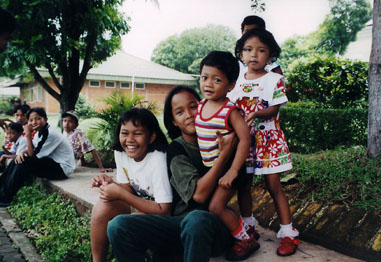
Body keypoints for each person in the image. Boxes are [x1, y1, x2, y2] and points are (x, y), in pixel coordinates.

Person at [107, 86, 238, 262]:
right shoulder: (177, 150)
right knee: (118, 225)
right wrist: (223, 156)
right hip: (178, 225)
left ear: (204, 107)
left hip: (214, 228)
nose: (189, 115)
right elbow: (198, 195)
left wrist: (227, 149)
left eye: (193, 107)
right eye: (180, 112)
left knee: (197, 218)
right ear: (174, 121)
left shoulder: (225, 137)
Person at [228, 28, 300, 256]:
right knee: (244, 184)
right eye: (248, 50)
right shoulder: (235, 81)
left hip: (268, 140)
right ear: (241, 54)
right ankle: (248, 227)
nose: (254, 55)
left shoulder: (274, 79)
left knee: (273, 185)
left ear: (270, 55)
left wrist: (257, 114)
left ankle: (288, 233)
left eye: (261, 50)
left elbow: (274, 108)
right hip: (244, 143)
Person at [195, 51, 259, 261]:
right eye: (205, 77)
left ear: (231, 85)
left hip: (230, 168)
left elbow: (245, 139)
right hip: (211, 169)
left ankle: (245, 240)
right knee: (211, 206)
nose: (208, 84)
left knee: (215, 207)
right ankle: (244, 230)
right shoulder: (200, 106)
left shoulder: (229, 110)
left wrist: (233, 170)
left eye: (217, 80)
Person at [90, 108, 172, 262]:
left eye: (138, 133)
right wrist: (110, 183)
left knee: (127, 223)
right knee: (102, 206)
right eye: (125, 133)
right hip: (143, 205)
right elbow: (129, 186)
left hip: (166, 216)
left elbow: (164, 210)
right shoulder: (121, 152)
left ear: (152, 136)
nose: (130, 140)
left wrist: (121, 194)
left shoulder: (158, 159)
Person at [0, 107, 75, 207]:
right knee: (18, 158)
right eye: (31, 120)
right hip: (52, 162)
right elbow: (32, 149)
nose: (34, 122)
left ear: (46, 119)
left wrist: (27, 134)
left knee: (25, 161)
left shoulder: (50, 133)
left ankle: (5, 198)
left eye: (38, 119)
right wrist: (22, 153)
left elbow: (32, 155)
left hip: (63, 169)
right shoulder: (39, 133)